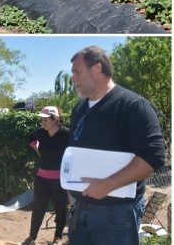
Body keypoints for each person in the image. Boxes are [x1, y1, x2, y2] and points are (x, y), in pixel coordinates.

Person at [66, 46, 166, 245]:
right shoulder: (80, 108)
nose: (72, 79)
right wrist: (71, 190)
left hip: (116, 213)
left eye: (77, 72)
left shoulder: (132, 105)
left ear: (97, 69)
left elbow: (153, 155)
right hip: (80, 208)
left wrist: (107, 185)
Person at [23, 106, 70, 245]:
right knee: (38, 208)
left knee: (61, 209)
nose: (43, 122)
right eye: (42, 119)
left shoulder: (66, 134)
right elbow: (31, 138)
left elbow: (75, 149)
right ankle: (32, 237)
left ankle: (58, 237)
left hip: (59, 180)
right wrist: (36, 147)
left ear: (55, 119)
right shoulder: (40, 132)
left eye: (46, 119)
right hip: (42, 179)